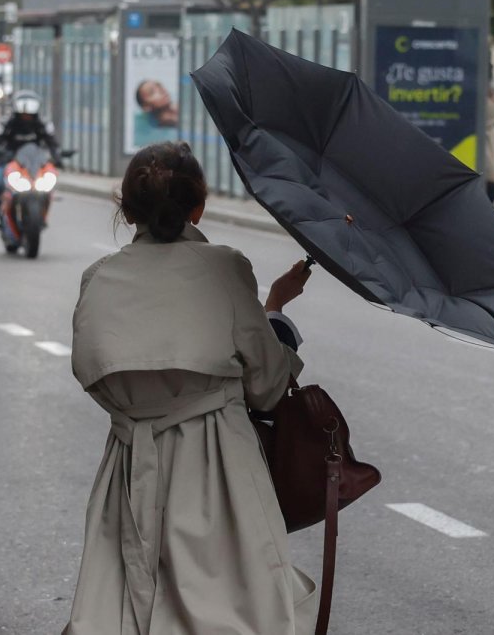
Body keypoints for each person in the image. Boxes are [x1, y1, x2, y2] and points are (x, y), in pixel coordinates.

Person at [63, 141, 318, 635]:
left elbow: (92, 372)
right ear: (199, 206)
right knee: (230, 610)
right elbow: (267, 387)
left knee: (124, 611)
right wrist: (275, 314)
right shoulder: (225, 268)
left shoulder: (98, 278)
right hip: (217, 466)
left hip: (130, 466)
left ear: (126, 207)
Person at [0, 95, 61, 227]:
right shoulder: (6, 123)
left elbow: (52, 142)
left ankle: (42, 213)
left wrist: (57, 156)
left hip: (35, 163)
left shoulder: (42, 123)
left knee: (49, 183)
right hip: (11, 161)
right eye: (23, 114)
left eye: (29, 114)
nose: (26, 117)